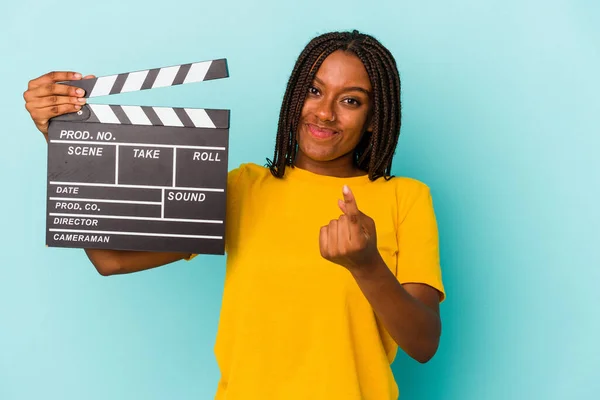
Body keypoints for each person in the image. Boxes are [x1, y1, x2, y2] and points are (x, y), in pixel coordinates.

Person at [23, 30, 445, 399]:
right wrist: (65, 141)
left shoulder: (405, 198)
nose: (325, 112)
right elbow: (111, 259)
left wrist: (366, 265)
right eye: (314, 91)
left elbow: (423, 343)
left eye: (350, 101)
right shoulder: (243, 188)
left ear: (374, 119)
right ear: (295, 95)